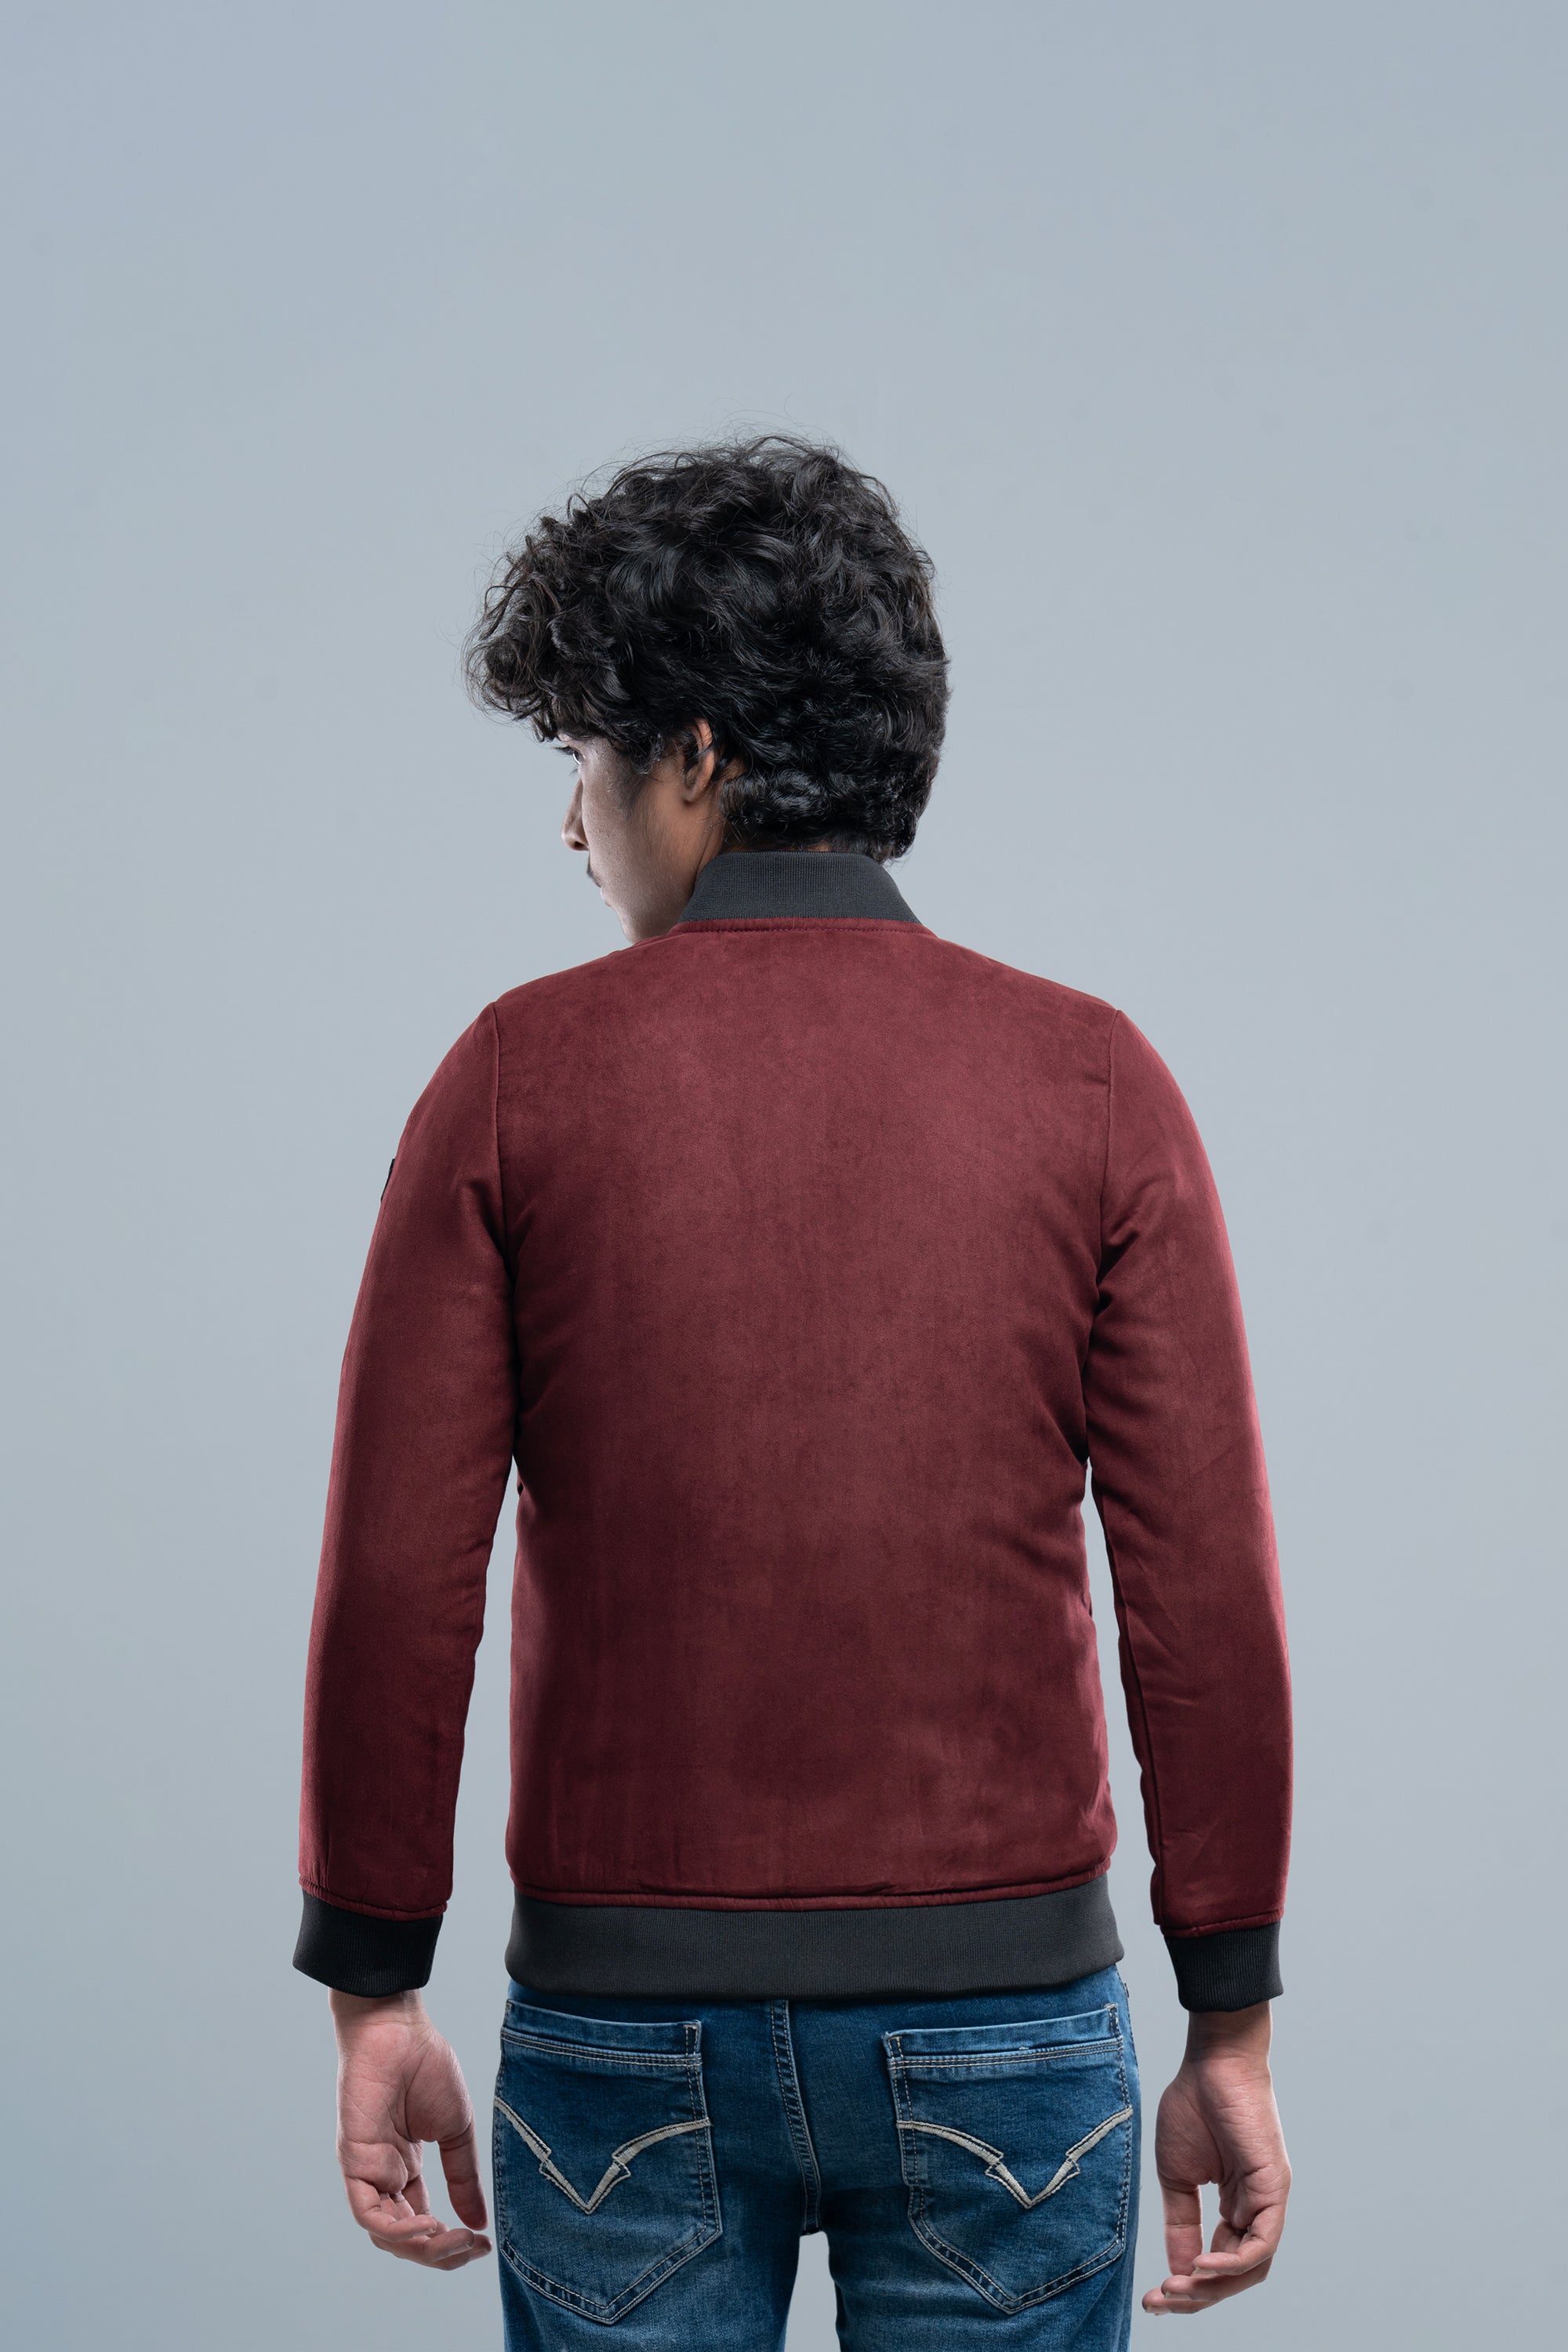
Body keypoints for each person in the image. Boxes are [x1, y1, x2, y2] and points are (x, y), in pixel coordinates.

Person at [294, 435, 1292, 2350]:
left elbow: (395, 1576)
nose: (572, 824)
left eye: (582, 757)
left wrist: (375, 1985)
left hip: (619, 2029)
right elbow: (1206, 1593)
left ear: (693, 758)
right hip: (1006, 2017)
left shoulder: (513, 1078)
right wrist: (1227, 2018)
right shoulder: (1094, 1082)